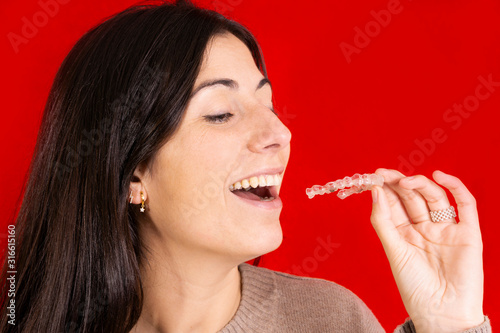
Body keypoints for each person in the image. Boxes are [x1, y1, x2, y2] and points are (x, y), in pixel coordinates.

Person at [0, 1, 491, 332]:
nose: (281, 134)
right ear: (132, 174)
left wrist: (450, 321)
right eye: (221, 113)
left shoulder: (329, 320)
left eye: (269, 105)